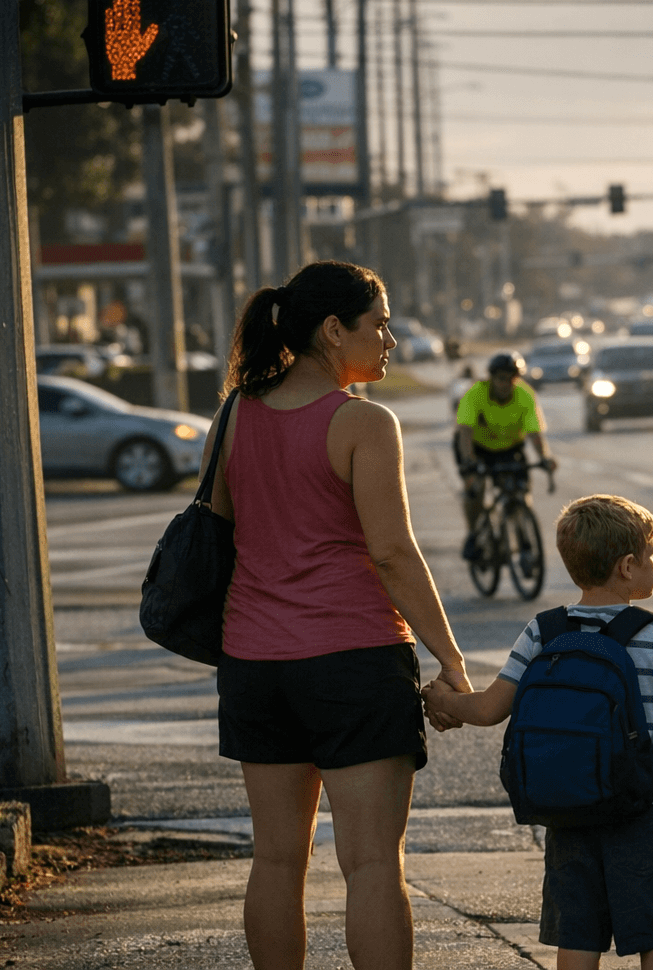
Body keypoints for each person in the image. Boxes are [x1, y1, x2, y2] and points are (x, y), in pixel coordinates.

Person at [204, 260, 473, 970]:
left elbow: (221, 531)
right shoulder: (362, 422)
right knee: (372, 865)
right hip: (352, 660)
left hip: (255, 665)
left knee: (275, 860)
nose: (390, 338)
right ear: (332, 330)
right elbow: (392, 553)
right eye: (378, 322)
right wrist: (451, 659)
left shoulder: (235, 413)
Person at [421, 495, 653, 970]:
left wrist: (443, 702)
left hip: (567, 810)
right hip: (643, 810)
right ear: (628, 566)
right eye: (652, 555)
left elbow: (489, 709)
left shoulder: (544, 631)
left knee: (578, 935)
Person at [454, 351, 558, 560]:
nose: (506, 383)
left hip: (510, 448)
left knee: (519, 493)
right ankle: (474, 534)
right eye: (501, 378)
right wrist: (470, 462)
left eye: (512, 378)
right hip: (476, 447)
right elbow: (465, 431)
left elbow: (534, 433)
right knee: (476, 489)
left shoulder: (525, 395)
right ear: (491, 377)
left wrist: (545, 457)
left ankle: (519, 539)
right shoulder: (475, 393)